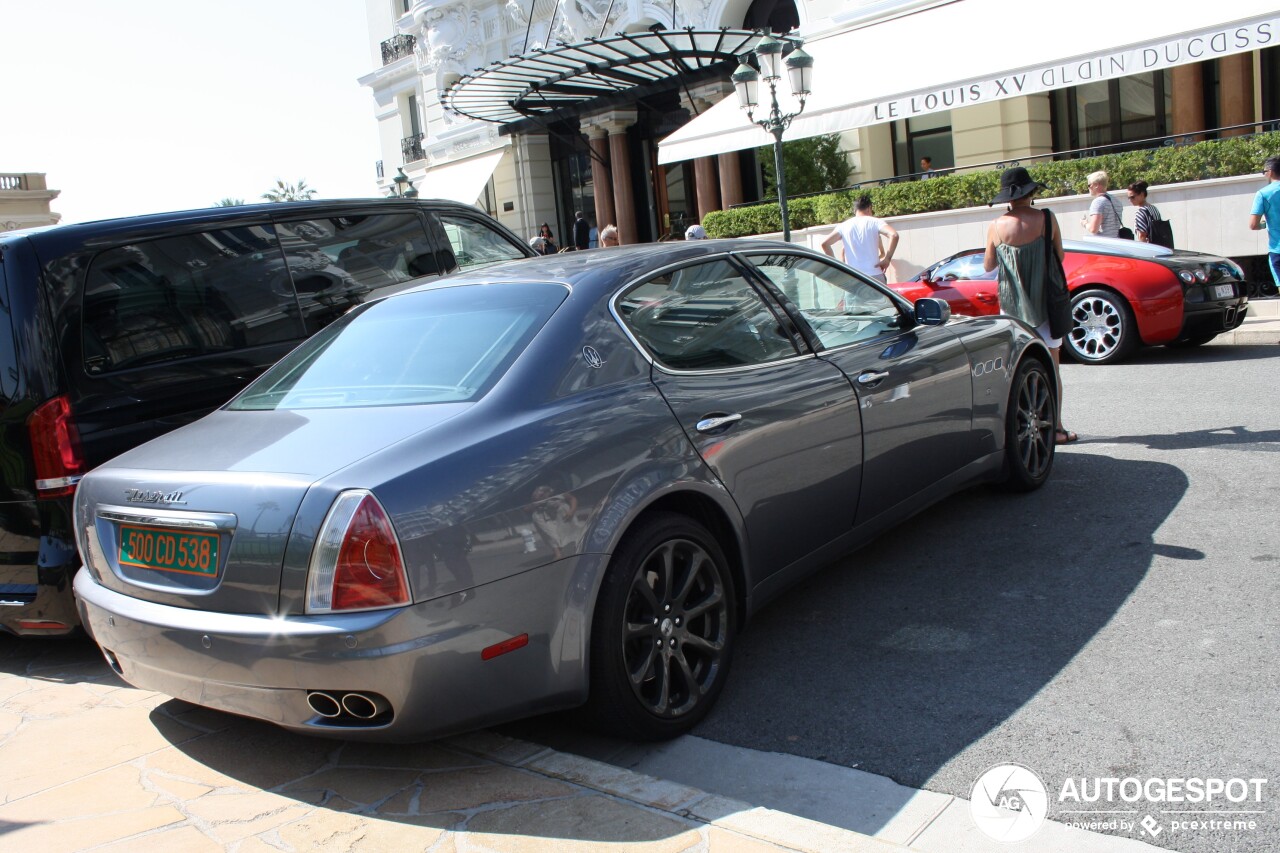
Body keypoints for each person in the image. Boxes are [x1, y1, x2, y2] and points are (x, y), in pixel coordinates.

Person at [983, 166, 1077, 444]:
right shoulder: (1047, 219)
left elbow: (988, 266)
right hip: (1046, 306)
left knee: (1016, 371)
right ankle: (1056, 429)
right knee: (1053, 369)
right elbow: (1059, 256)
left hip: (1012, 309)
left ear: (1007, 198)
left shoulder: (995, 226)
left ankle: (1018, 430)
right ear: (1031, 192)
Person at [820, 194, 899, 283]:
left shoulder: (844, 225)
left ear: (855, 210)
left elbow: (825, 244)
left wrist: (836, 266)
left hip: (853, 277)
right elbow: (894, 235)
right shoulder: (875, 222)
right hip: (875, 276)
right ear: (869, 208)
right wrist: (887, 259)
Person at [1248, 156, 1280, 292]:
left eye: (1264, 171)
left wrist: (1265, 224)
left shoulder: (1263, 194)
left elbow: (1253, 225)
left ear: (1270, 172)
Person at [1082, 170, 1124, 238]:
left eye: (1089, 185)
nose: (1088, 188)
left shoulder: (1098, 202)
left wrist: (1085, 223)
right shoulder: (1116, 201)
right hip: (1116, 242)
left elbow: (1093, 229)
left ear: (1096, 185)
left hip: (1104, 243)